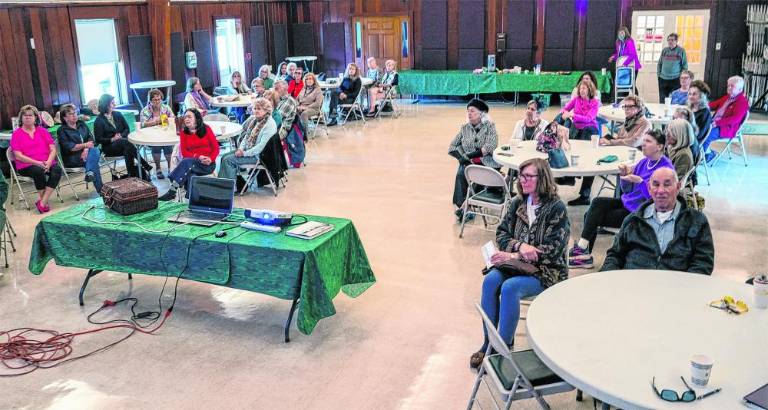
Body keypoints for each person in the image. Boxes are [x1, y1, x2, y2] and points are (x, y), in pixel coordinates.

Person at [469, 158, 570, 369]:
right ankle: (488, 343)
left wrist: (514, 255)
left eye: (528, 176)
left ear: (542, 178)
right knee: (490, 281)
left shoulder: (556, 208)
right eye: (521, 176)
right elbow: (502, 234)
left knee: (509, 288)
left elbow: (554, 250)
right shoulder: (518, 203)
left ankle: (501, 350)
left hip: (547, 270)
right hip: (517, 265)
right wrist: (519, 246)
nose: (523, 180)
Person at [568, 129, 674, 269]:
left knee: (591, 216)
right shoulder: (644, 162)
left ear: (659, 146)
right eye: (643, 140)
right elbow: (627, 190)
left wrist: (641, 182)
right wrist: (624, 177)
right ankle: (583, 251)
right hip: (628, 203)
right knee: (597, 202)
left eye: (648, 141)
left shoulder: (665, 168)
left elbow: (658, 200)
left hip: (641, 212)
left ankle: (583, 253)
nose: (643, 144)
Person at [601, 167, 714, 274]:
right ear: (649, 189)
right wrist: (611, 279)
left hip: (676, 288)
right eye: (655, 185)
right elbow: (614, 255)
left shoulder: (696, 221)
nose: (660, 190)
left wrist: (687, 287)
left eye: (667, 184)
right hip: (634, 286)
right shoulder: (633, 220)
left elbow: (703, 262)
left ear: (678, 187)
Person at [448, 99, 499, 219]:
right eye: (468, 111)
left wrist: (468, 156)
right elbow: (452, 146)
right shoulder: (465, 128)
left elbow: (490, 146)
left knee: (477, 177)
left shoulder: (490, 127)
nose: (469, 114)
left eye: (472, 111)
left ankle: (467, 208)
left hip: (486, 161)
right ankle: (463, 206)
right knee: (461, 174)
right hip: (468, 162)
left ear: (481, 113)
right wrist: (461, 157)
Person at [10, 105, 62, 213]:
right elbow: (18, 156)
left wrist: (48, 162)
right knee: (39, 171)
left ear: (35, 117)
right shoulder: (16, 134)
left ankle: (43, 202)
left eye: (30, 115)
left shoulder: (43, 131)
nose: (27, 117)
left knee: (57, 169)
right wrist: (38, 163)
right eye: (25, 115)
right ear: (21, 118)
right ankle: (44, 202)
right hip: (26, 165)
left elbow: (53, 149)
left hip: (46, 162)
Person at [158, 109, 219, 201]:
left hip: (208, 164)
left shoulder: (206, 129)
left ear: (197, 118)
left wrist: (210, 158)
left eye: (189, 117)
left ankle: (172, 190)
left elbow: (216, 148)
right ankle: (192, 201)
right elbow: (185, 153)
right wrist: (198, 157)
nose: (186, 119)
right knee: (191, 175)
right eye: (185, 117)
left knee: (187, 163)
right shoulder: (184, 133)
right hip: (193, 163)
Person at [560, 80, 600, 206]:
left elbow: (589, 119)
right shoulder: (576, 99)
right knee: (570, 150)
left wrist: (573, 115)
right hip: (576, 128)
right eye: (580, 88)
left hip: (590, 130)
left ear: (590, 90)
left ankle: (585, 195)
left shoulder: (595, 102)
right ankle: (570, 176)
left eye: (584, 88)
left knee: (588, 160)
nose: (582, 90)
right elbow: (564, 110)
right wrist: (566, 113)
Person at [94, 94, 152, 180]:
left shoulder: (118, 114)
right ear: (106, 105)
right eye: (112, 103)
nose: (114, 104)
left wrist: (120, 136)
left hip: (123, 145)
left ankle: (131, 175)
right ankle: (144, 164)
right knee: (127, 143)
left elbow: (126, 129)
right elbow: (98, 139)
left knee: (127, 148)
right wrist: (112, 139)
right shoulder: (98, 120)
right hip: (109, 147)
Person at [218, 98, 278, 181]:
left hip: (259, 156)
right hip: (249, 150)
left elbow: (260, 147)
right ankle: (238, 184)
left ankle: (229, 188)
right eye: (255, 108)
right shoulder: (255, 120)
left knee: (228, 160)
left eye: (259, 109)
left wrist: (244, 153)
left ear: (266, 110)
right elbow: (246, 137)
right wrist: (240, 149)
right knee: (224, 157)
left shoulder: (269, 125)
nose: (256, 111)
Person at [57, 104, 103, 193]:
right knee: (93, 158)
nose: (74, 115)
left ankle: (89, 173)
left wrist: (85, 150)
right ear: (65, 118)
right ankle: (101, 190)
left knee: (94, 151)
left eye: (75, 113)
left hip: (87, 154)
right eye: (70, 114)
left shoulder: (81, 124)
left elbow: (92, 140)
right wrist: (85, 146)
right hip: (73, 158)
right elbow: (70, 147)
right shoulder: (62, 130)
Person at [703, 75, 749, 163]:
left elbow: (735, 119)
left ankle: (704, 156)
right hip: (715, 123)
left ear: (740, 89)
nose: (729, 88)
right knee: (696, 129)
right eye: (728, 85)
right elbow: (713, 104)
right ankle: (707, 153)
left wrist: (717, 123)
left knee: (706, 135)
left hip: (726, 128)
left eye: (732, 86)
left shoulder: (742, 101)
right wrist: (701, 106)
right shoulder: (727, 97)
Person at [139, 89, 176, 179]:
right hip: (151, 136)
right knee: (156, 145)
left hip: (165, 134)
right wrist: (155, 121)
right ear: (150, 101)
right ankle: (158, 168)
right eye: (155, 100)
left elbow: (173, 118)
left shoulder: (166, 107)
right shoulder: (145, 110)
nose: (157, 102)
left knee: (167, 145)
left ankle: (169, 168)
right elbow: (143, 124)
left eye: (159, 99)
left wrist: (169, 120)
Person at [657, 33, 688, 102]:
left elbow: (685, 66)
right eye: (669, 40)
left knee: (674, 100)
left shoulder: (681, 51)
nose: (670, 41)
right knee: (662, 99)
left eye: (672, 40)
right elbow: (659, 63)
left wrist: (681, 77)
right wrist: (659, 75)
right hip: (663, 79)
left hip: (675, 79)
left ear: (676, 41)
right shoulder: (664, 50)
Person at [687, 80, 712, 148]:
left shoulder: (705, 113)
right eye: (690, 94)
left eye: (694, 94)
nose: (691, 96)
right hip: (685, 137)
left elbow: (699, 135)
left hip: (692, 143)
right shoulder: (690, 108)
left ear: (701, 96)